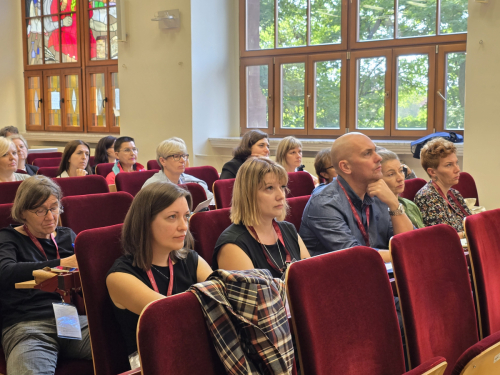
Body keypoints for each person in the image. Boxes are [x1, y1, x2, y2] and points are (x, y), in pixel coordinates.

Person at [107, 182, 213, 369]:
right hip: (150, 362)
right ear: (145, 222)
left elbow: (220, 300)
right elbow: (172, 318)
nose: (183, 227)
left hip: (196, 349)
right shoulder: (120, 276)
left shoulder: (191, 260)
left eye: (186, 216)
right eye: (172, 217)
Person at [0, 175, 92, 374]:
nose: (50, 216)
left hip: (71, 320)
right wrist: (61, 264)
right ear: (23, 212)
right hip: (27, 325)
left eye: (54, 207)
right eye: (40, 210)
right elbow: (5, 272)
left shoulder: (68, 236)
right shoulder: (7, 239)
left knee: (128, 347)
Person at [299, 132, 413, 261]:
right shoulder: (324, 204)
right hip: (337, 278)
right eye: (367, 154)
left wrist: (394, 203)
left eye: (375, 151)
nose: (379, 158)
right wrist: (404, 254)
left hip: (379, 273)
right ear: (346, 167)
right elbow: (356, 257)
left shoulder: (380, 192)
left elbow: (409, 242)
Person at [213, 157, 310, 279]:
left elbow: (310, 280)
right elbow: (256, 298)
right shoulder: (233, 245)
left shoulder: (288, 229)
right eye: (270, 188)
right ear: (248, 194)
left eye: (282, 187)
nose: (281, 196)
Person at [414, 137, 471, 237]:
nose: (457, 169)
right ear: (432, 172)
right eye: (449, 165)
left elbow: (471, 223)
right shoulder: (427, 197)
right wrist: (470, 233)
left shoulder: (454, 194)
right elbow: (443, 237)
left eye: (456, 163)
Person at [142, 138, 213, 201]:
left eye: (184, 156)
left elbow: (212, 201)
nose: (182, 160)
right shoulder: (152, 187)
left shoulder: (194, 182)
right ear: (163, 161)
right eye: (176, 156)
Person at [377, 148, 425, 229]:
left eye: (401, 171)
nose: (400, 178)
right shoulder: (377, 212)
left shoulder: (410, 205)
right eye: (391, 174)